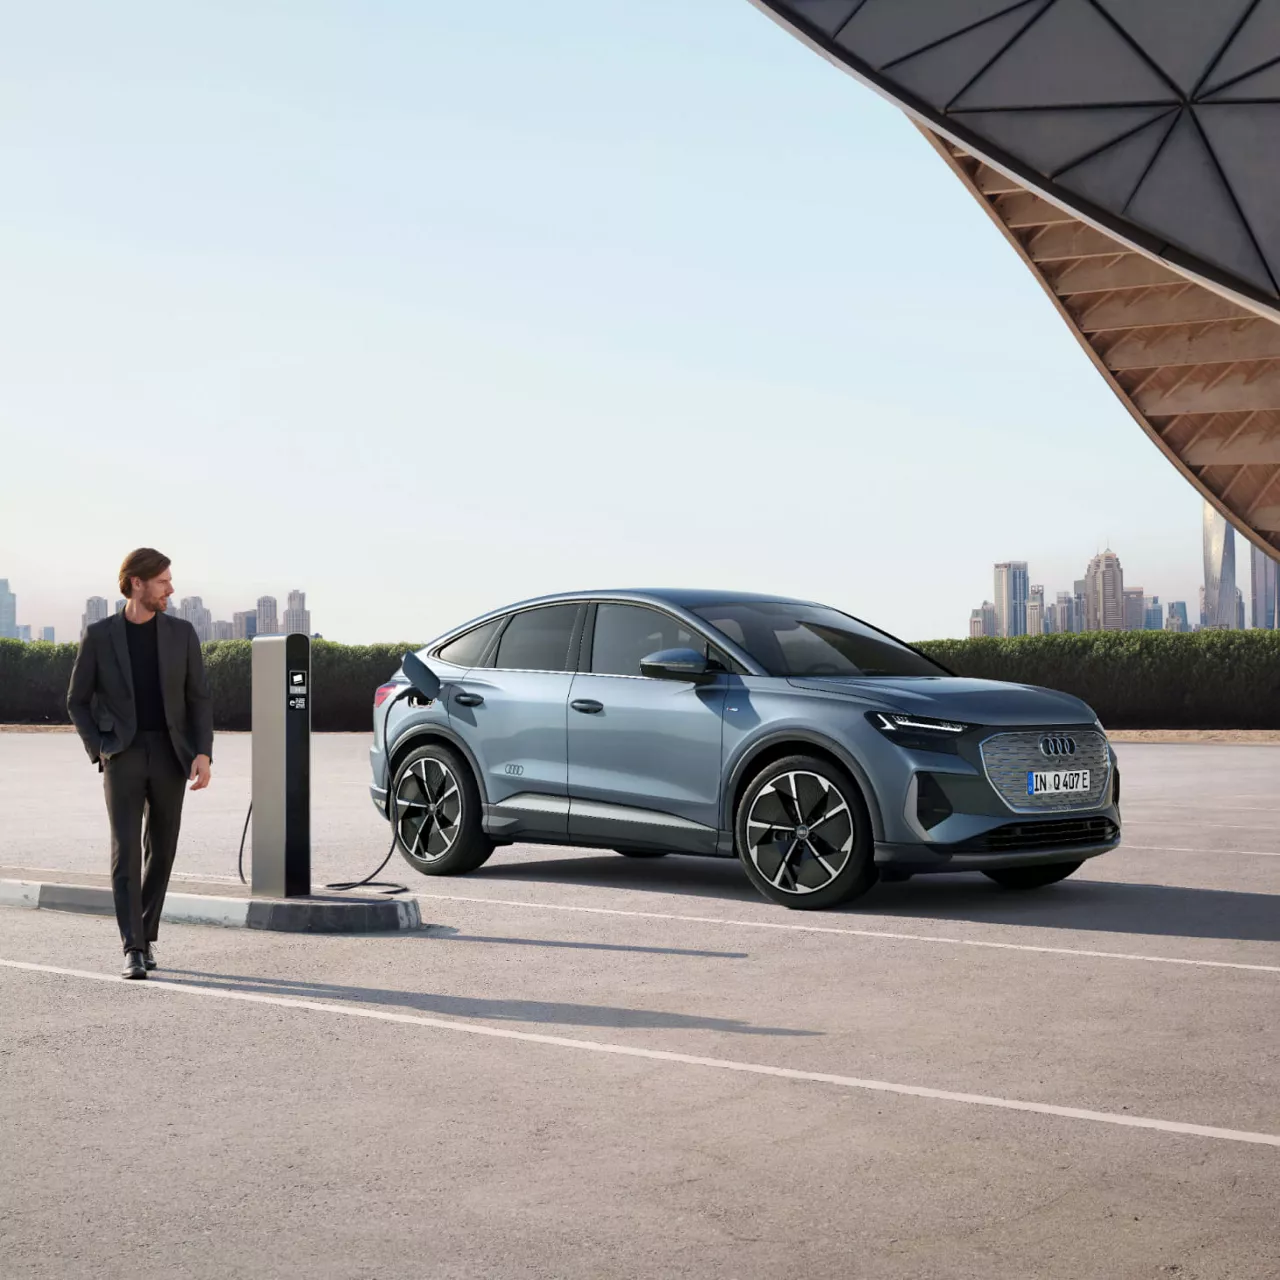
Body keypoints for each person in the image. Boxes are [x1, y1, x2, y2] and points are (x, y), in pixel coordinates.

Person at [67, 549, 213, 979]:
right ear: (136, 583)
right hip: (123, 754)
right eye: (163, 581)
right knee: (126, 850)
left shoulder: (182, 634)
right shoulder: (99, 636)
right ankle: (132, 946)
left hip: (171, 755)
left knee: (162, 850)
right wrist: (101, 747)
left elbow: (198, 698)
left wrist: (202, 752)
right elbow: (76, 701)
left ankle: (146, 934)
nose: (170, 588)